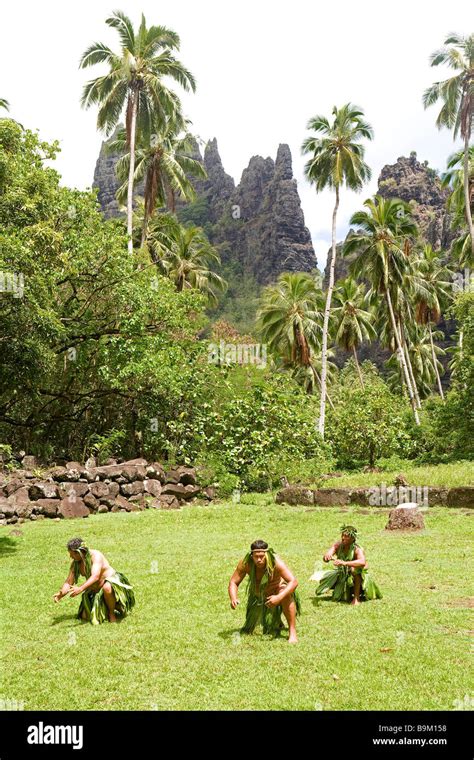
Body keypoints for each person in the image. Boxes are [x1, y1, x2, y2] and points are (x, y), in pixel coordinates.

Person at [228, 539, 300, 643]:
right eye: (256, 556)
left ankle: (292, 632)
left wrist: (279, 597)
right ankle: (277, 621)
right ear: (251, 555)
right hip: (259, 596)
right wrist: (233, 598)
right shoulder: (245, 563)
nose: (259, 560)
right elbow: (233, 582)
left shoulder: (276, 562)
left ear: (267, 555)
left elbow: (293, 581)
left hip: (278, 590)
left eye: (262, 556)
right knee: (251, 630)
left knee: (285, 593)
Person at [53, 537, 135, 624]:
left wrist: (80, 589)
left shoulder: (96, 556)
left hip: (111, 585)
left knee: (107, 588)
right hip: (95, 590)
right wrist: (61, 594)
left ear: (79, 552)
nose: (70, 557)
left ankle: (111, 613)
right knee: (85, 616)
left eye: (72, 554)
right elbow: (69, 582)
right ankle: (114, 606)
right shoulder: (76, 563)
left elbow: (95, 576)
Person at [314, 524, 382, 605]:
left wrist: (344, 563)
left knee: (354, 570)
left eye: (346, 536)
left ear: (353, 538)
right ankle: (343, 591)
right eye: (342, 535)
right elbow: (326, 557)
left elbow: (362, 562)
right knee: (324, 579)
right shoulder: (338, 545)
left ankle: (356, 598)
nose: (343, 538)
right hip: (343, 574)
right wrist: (327, 557)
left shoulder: (357, 549)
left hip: (358, 576)